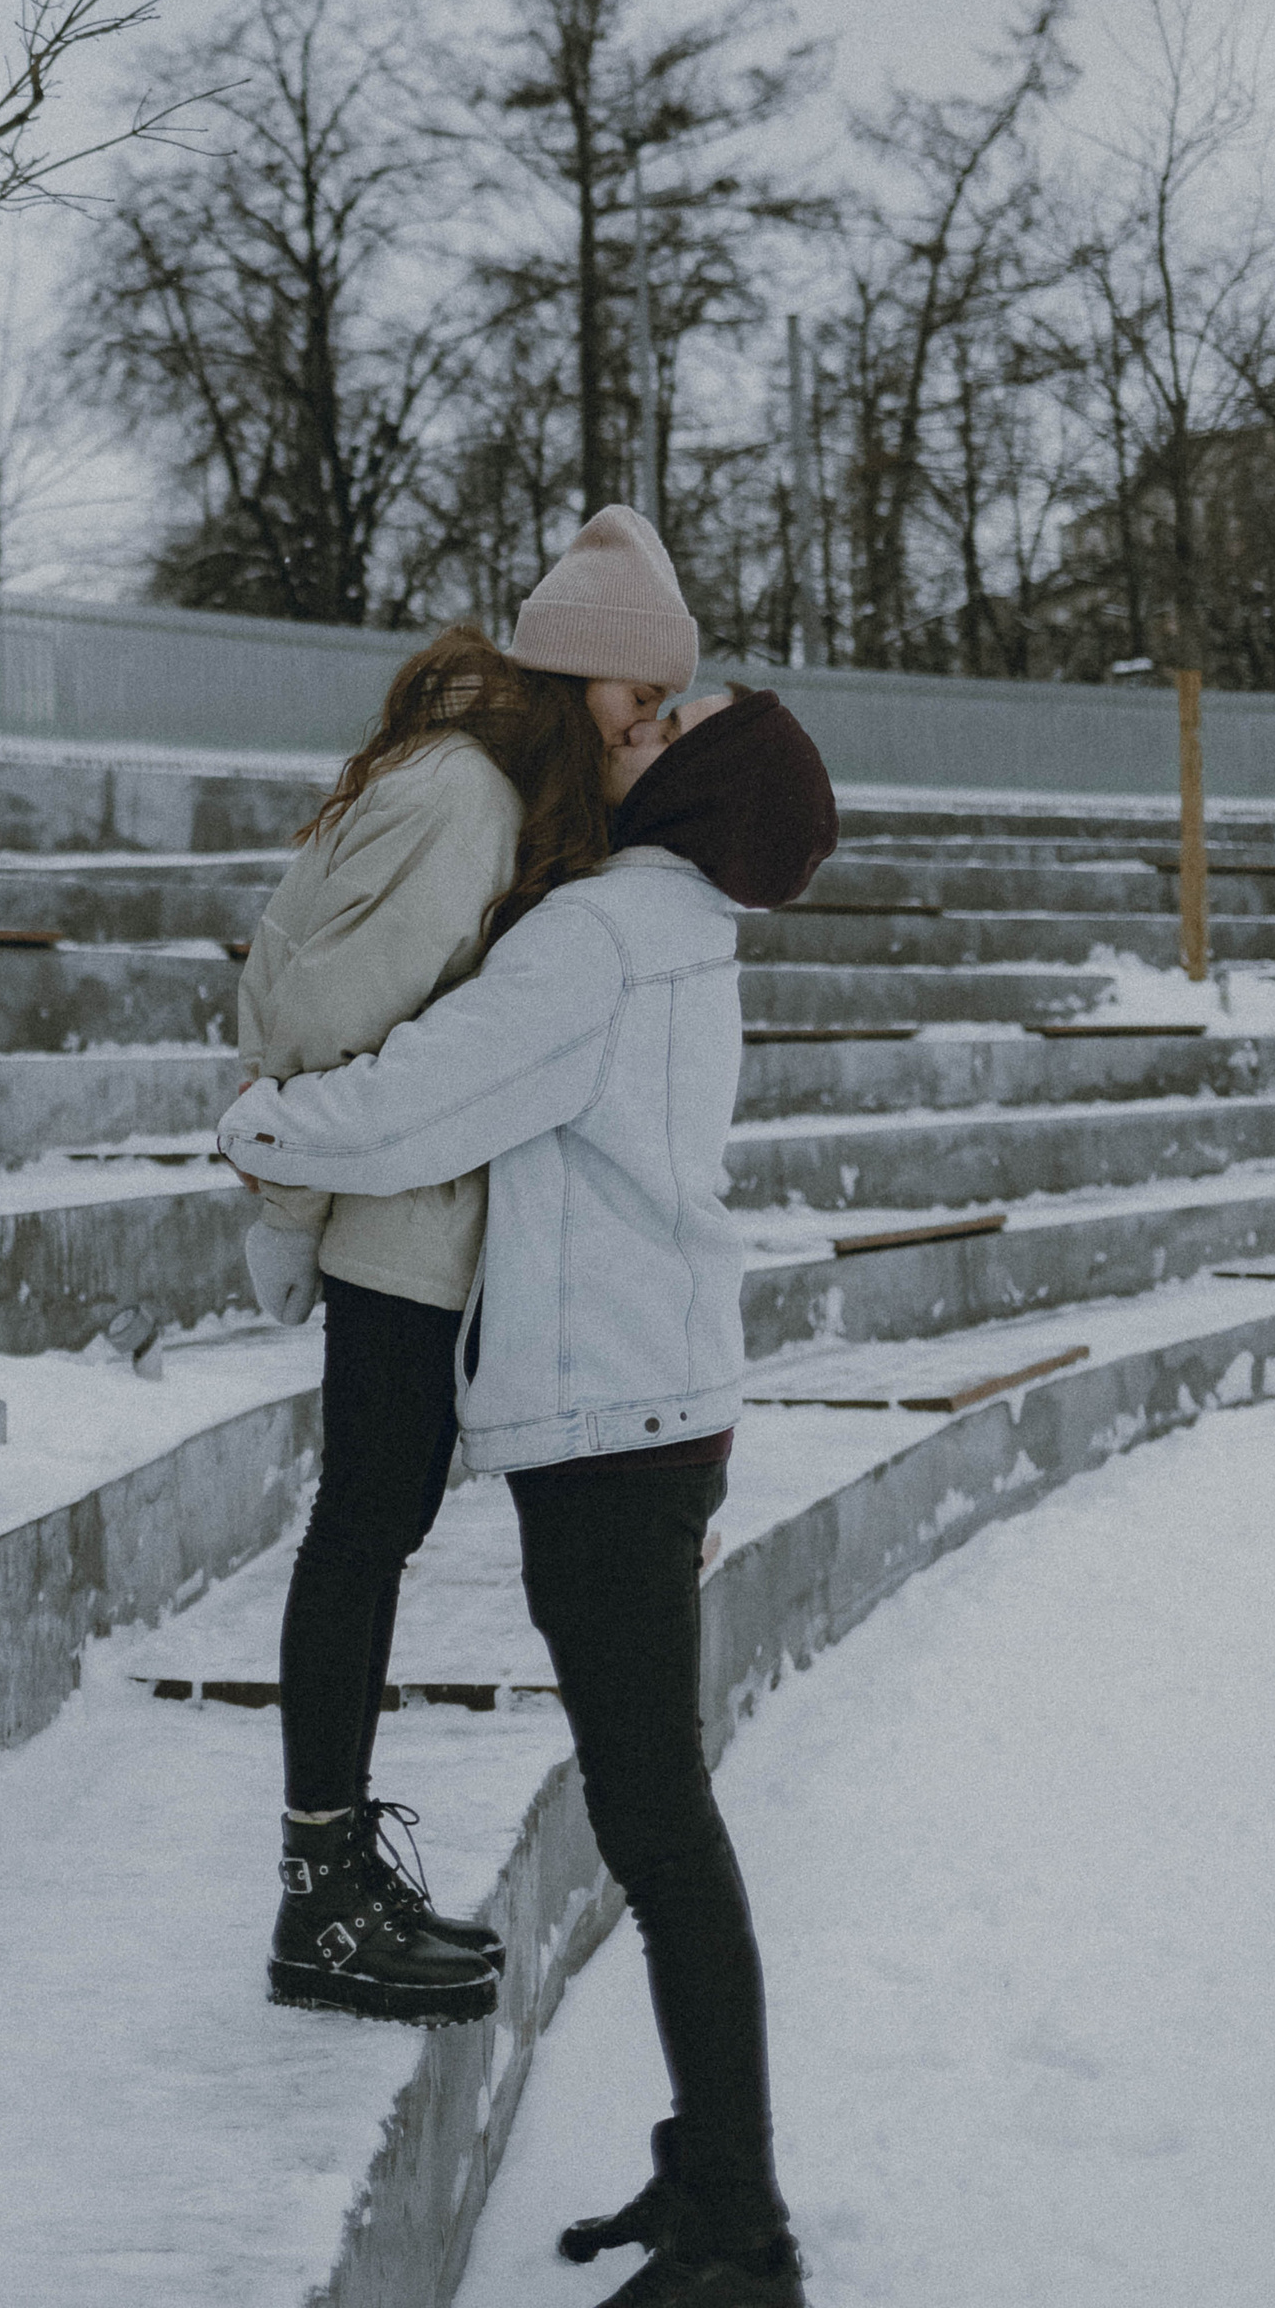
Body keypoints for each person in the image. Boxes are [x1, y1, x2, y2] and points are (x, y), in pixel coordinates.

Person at [220, 654, 839, 2308]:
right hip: (658, 1403)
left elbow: (415, 1104)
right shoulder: (684, 936)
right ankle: (709, 2166)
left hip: (610, 1429)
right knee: (661, 1811)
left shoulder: (594, 944)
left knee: (656, 1818)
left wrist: (266, 1129)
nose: (638, 727)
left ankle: (740, 2233)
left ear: (700, 791)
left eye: (672, 728)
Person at [235, 508, 704, 2033]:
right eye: (643, 699)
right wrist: (298, 1181)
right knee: (362, 1531)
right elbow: (328, 1008)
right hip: (398, 1222)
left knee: (378, 1528)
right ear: (579, 682)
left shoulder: (519, 791)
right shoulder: (463, 799)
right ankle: (321, 1899)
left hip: (437, 1215)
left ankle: (337, 1879)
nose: (658, 725)